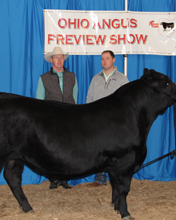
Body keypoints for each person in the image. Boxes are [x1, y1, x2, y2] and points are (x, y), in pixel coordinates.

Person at [36, 46, 79, 189]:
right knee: (51, 150)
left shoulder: (72, 76)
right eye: (56, 58)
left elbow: (75, 98)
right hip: (51, 120)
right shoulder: (43, 79)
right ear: (51, 60)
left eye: (61, 57)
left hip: (69, 119)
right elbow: (39, 101)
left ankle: (64, 178)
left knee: (68, 150)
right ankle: (53, 178)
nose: (59, 60)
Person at [86, 50, 129, 187]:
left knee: (116, 149)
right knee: (98, 149)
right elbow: (90, 99)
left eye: (107, 58)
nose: (104, 61)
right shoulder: (95, 78)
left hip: (115, 121)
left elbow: (128, 100)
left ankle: (117, 177)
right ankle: (100, 178)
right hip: (98, 120)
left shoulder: (122, 78)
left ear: (114, 60)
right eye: (102, 59)